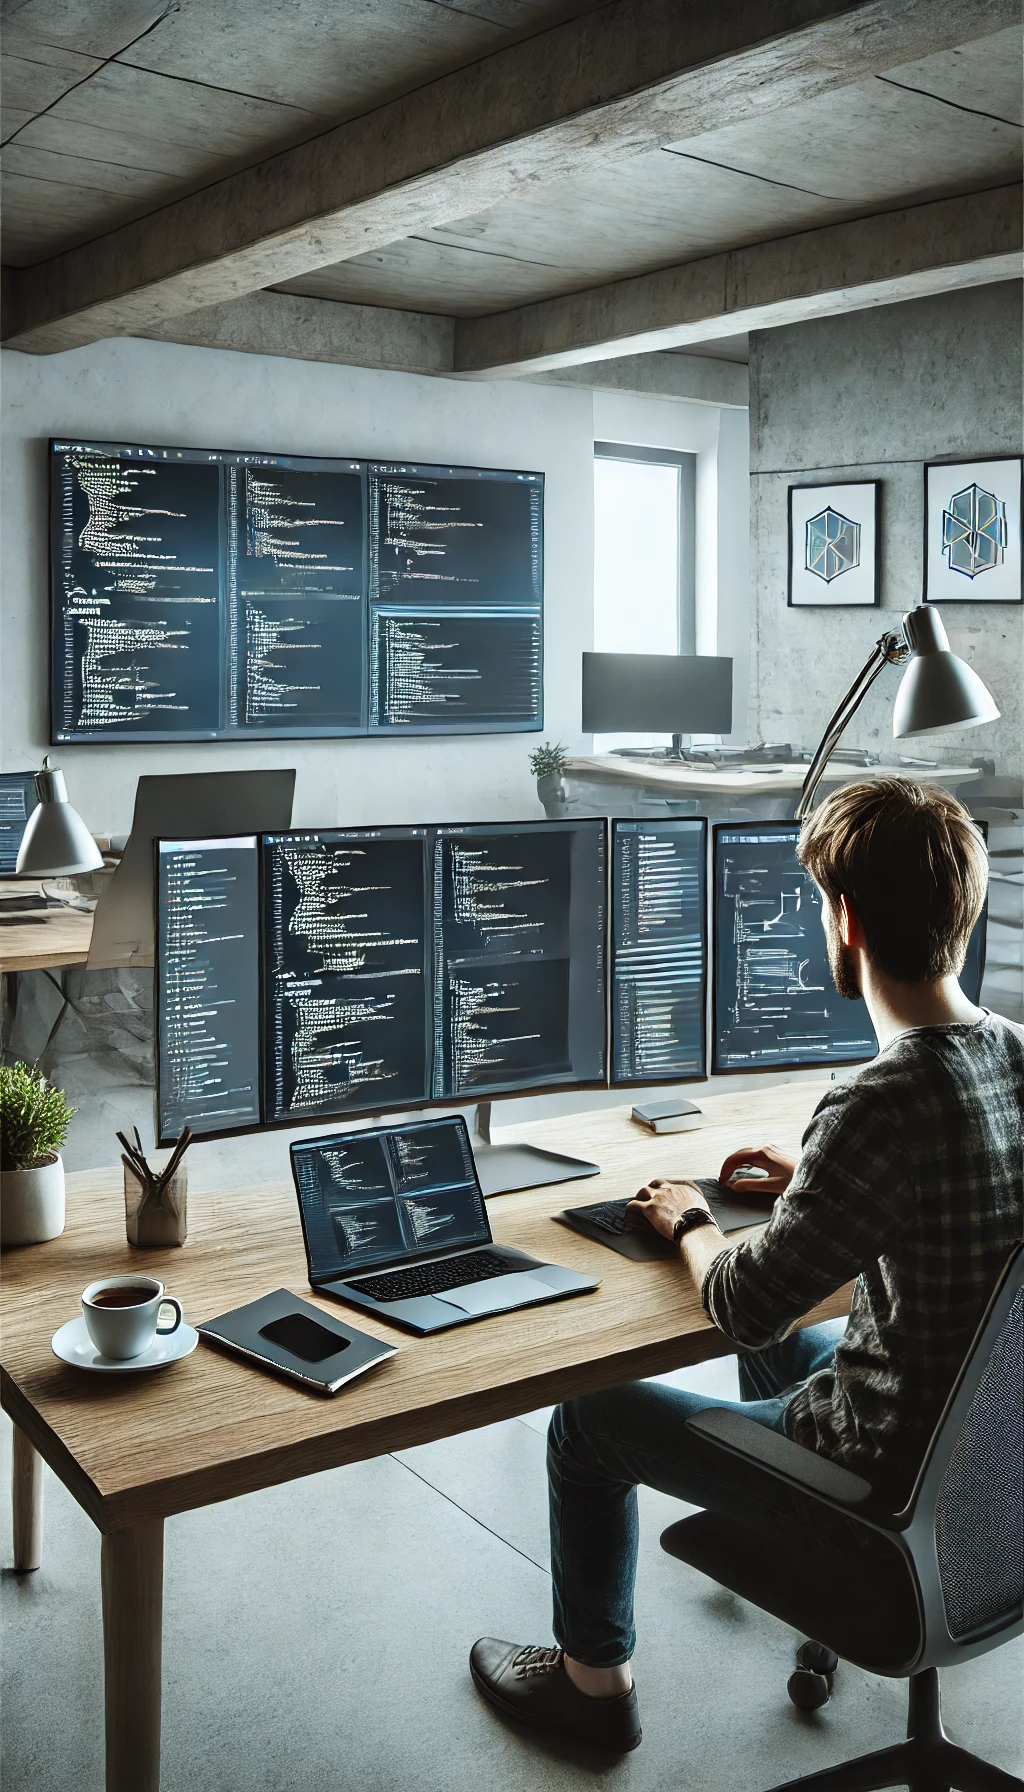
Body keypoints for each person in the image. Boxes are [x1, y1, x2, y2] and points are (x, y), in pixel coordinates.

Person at [470, 779, 1024, 1754]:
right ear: (963, 910)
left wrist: (689, 1218)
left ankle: (592, 1690)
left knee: (592, 1416)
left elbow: (741, 1307)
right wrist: (813, 1186)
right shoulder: (1015, 1058)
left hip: (881, 1495)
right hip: (986, 1473)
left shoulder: (877, 1101)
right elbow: (959, 1201)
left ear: (843, 920)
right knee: (815, 1342)